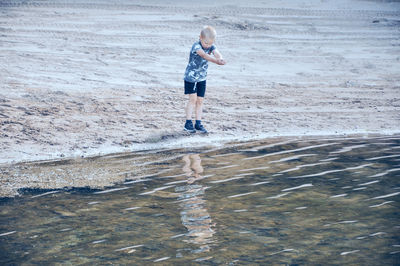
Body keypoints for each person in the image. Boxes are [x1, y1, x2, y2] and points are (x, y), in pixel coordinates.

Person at [183, 25, 226, 133]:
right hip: (191, 77)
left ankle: (198, 123)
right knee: (192, 99)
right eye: (206, 43)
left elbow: (216, 52)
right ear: (200, 38)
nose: (208, 46)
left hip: (202, 78)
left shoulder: (210, 46)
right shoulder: (196, 46)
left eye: (210, 43)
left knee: (200, 100)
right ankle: (188, 123)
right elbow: (204, 56)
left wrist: (220, 58)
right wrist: (216, 62)